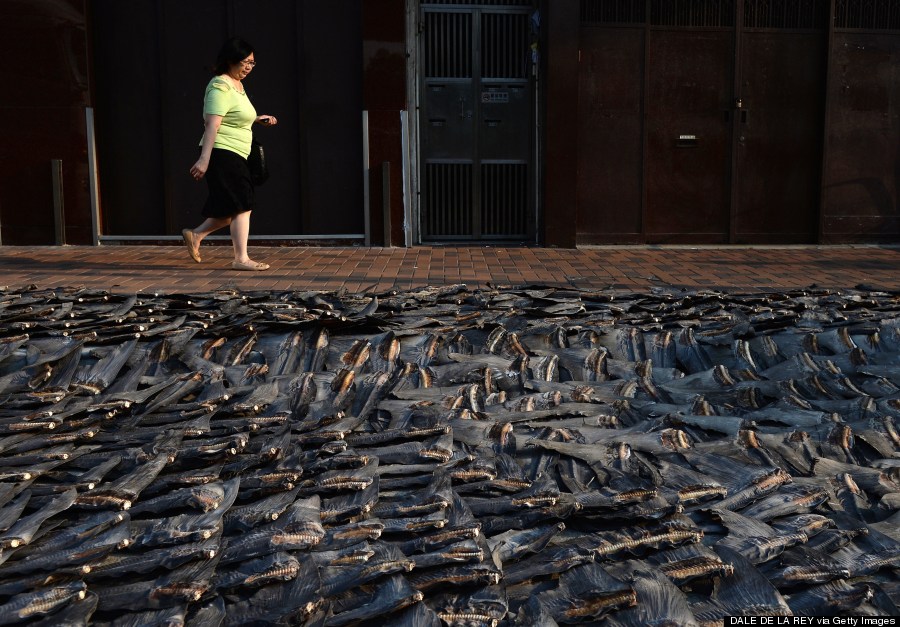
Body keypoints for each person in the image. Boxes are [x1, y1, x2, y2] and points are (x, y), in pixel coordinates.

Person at [182, 37, 278, 271]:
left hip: (237, 153)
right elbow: (212, 124)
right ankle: (241, 259)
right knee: (242, 205)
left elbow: (233, 116)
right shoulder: (220, 86)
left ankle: (196, 235)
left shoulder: (238, 87)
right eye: (245, 62)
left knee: (231, 208)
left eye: (252, 63)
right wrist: (204, 160)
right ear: (230, 60)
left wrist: (256, 119)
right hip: (222, 152)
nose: (248, 67)